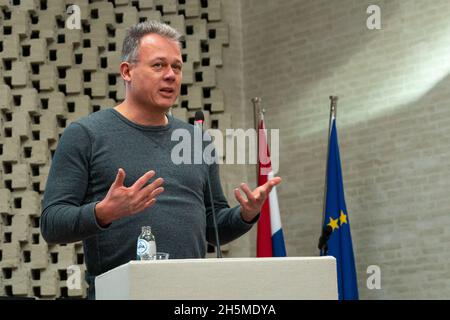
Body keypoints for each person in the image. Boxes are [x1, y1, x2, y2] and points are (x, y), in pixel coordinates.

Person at [40, 21, 281, 299]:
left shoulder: (196, 139)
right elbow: (52, 223)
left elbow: (213, 228)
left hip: (191, 297)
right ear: (127, 71)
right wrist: (103, 211)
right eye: (158, 66)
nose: (171, 76)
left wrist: (246, 214)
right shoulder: (86, 135)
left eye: (176, 67)